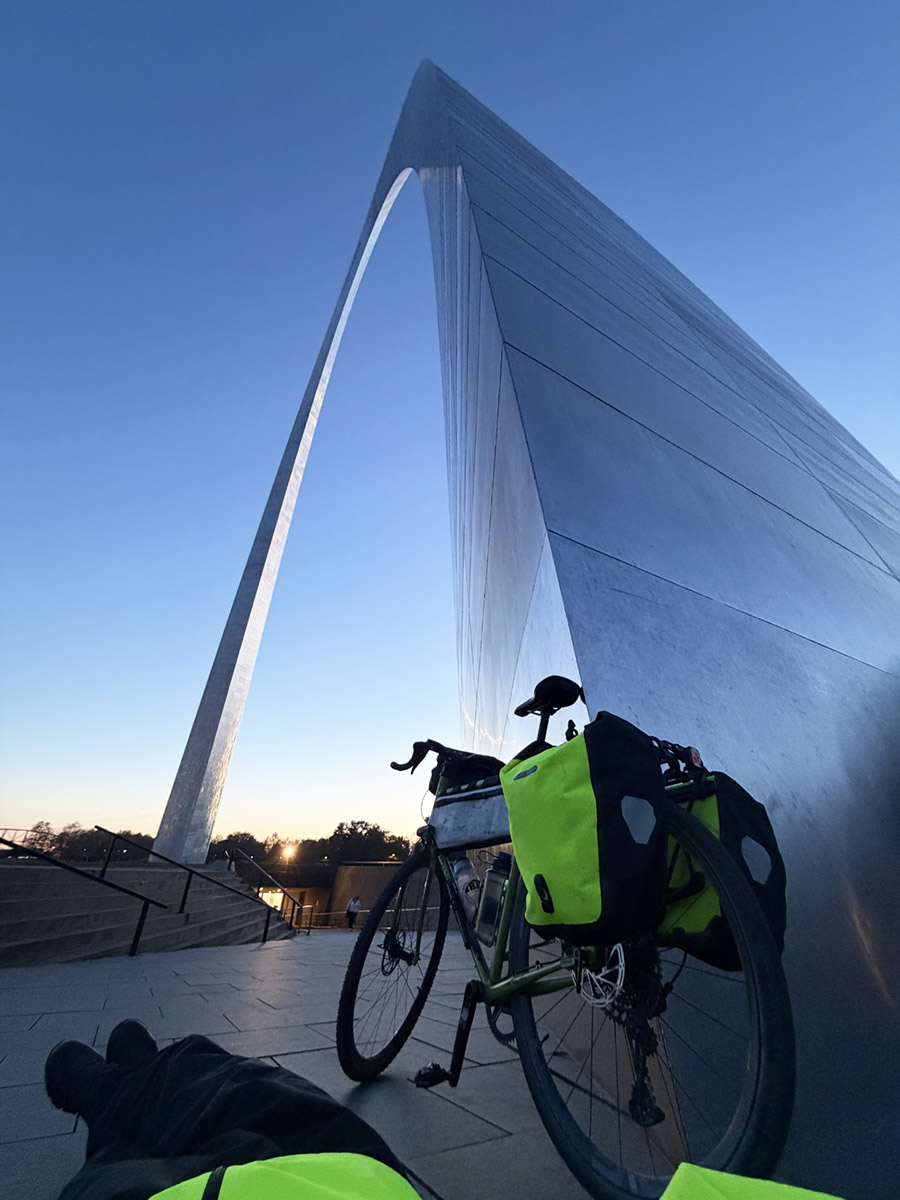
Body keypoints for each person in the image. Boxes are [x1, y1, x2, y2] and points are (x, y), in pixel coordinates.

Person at [44, 1020, 417, 1200]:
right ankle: (140, 1078)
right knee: (245, 1089)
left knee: (223, 1085)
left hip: (349, 1173)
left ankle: (124, 1089)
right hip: (356, 1175)